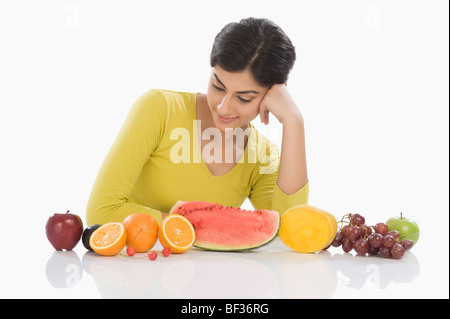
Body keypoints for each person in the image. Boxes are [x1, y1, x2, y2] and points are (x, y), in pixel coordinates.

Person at [86, 17, 308, 226]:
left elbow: (289, 228)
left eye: (244, 98)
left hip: (206, 269)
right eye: (218, 86)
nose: (223, 107)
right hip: (133, 265)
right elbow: (102, 210)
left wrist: (294, 121)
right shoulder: (159, 109)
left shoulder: (262, 156)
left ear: (273, 96)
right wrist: (199, 228)